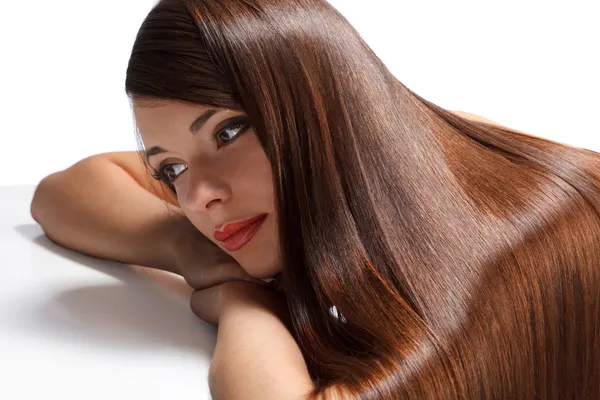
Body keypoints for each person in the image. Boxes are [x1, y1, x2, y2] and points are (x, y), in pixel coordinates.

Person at [30, 0, 600, 398]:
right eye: (171, 167)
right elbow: (64, 192)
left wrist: (242, 304)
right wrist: (196, 254)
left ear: (319, 113)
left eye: (227, 132)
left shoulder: (489, 277)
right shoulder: (409, 153)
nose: (198, 197)